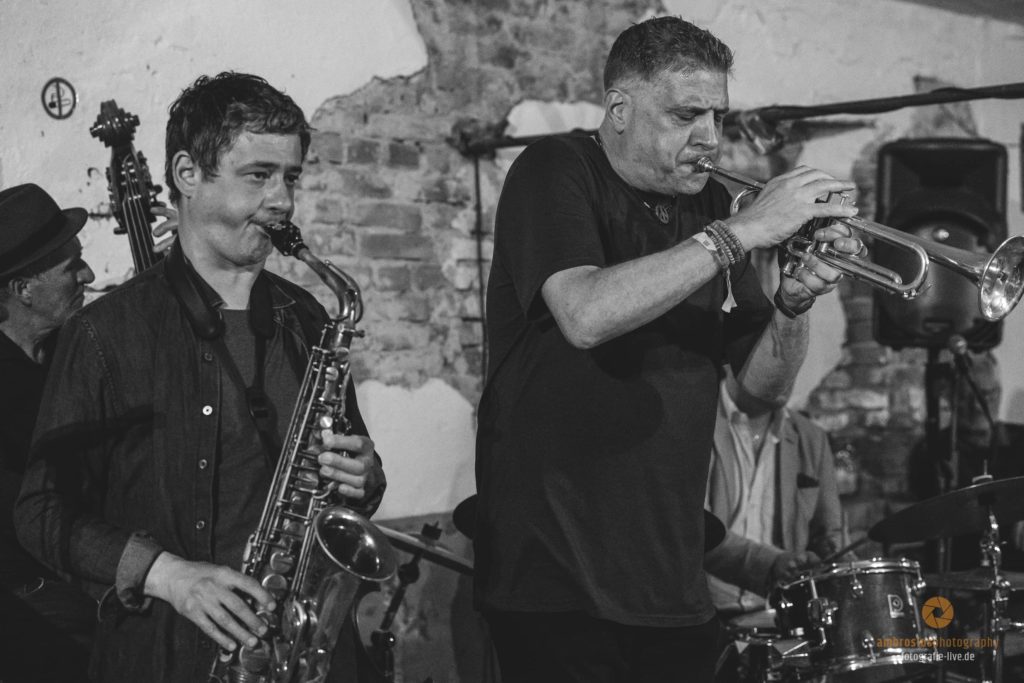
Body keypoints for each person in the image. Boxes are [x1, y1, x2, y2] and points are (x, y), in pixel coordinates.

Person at [473, 15, 863, 683]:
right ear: (620, 109)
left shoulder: (712, 205)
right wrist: (740, 233)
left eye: (718, 115)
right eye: (686, 115)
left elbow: (761, 390)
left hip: (672, 573)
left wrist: (794, 305)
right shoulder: (555, 169)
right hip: (554, 575)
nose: (709, 137)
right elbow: (586, 314)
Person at [15, 72, 386, 683]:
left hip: (302, 651)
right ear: (188, 174)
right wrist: (166, 574)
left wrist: (365, 477)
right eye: (258, 175)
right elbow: (40, 511)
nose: (283, 201)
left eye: (290, 177)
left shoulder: (308, 318)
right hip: (170, 655)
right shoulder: (105, 332)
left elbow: (353, 481)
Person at [0, 183, 97, 681]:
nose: (89, 275)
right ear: (23, 290)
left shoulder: (71, 348)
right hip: (31, 600)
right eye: (71, 266)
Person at [704, 365, 843, 617]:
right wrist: (770, 564)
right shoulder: (696, 427)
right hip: (706, 613)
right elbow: (693, 530)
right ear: (731, 362)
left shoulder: (811, 438)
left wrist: (838, 559)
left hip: (782, 614)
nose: (786, 369)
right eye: (772, 356)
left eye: (794, 359)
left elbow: (829, 534)